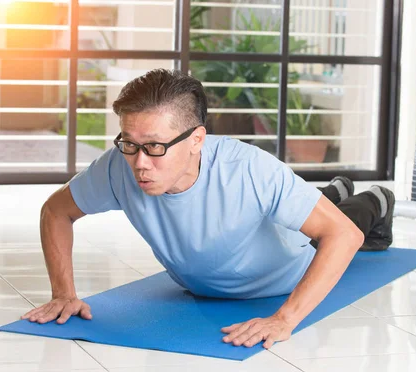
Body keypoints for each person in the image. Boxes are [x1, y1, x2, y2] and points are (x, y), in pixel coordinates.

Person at [21, 68, 395, 350]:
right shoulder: (120, 165)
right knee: (316, 202)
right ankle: (334, 190)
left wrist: (285, 319)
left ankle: (377, 198)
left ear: (197, 139)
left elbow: (344, 236)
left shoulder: (250, 169)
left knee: (347, 218)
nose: (139, 163)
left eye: (154, 146)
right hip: (207, 284)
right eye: (129, 143)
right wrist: (63, 293)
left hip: (289, 263)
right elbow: (55, 211)